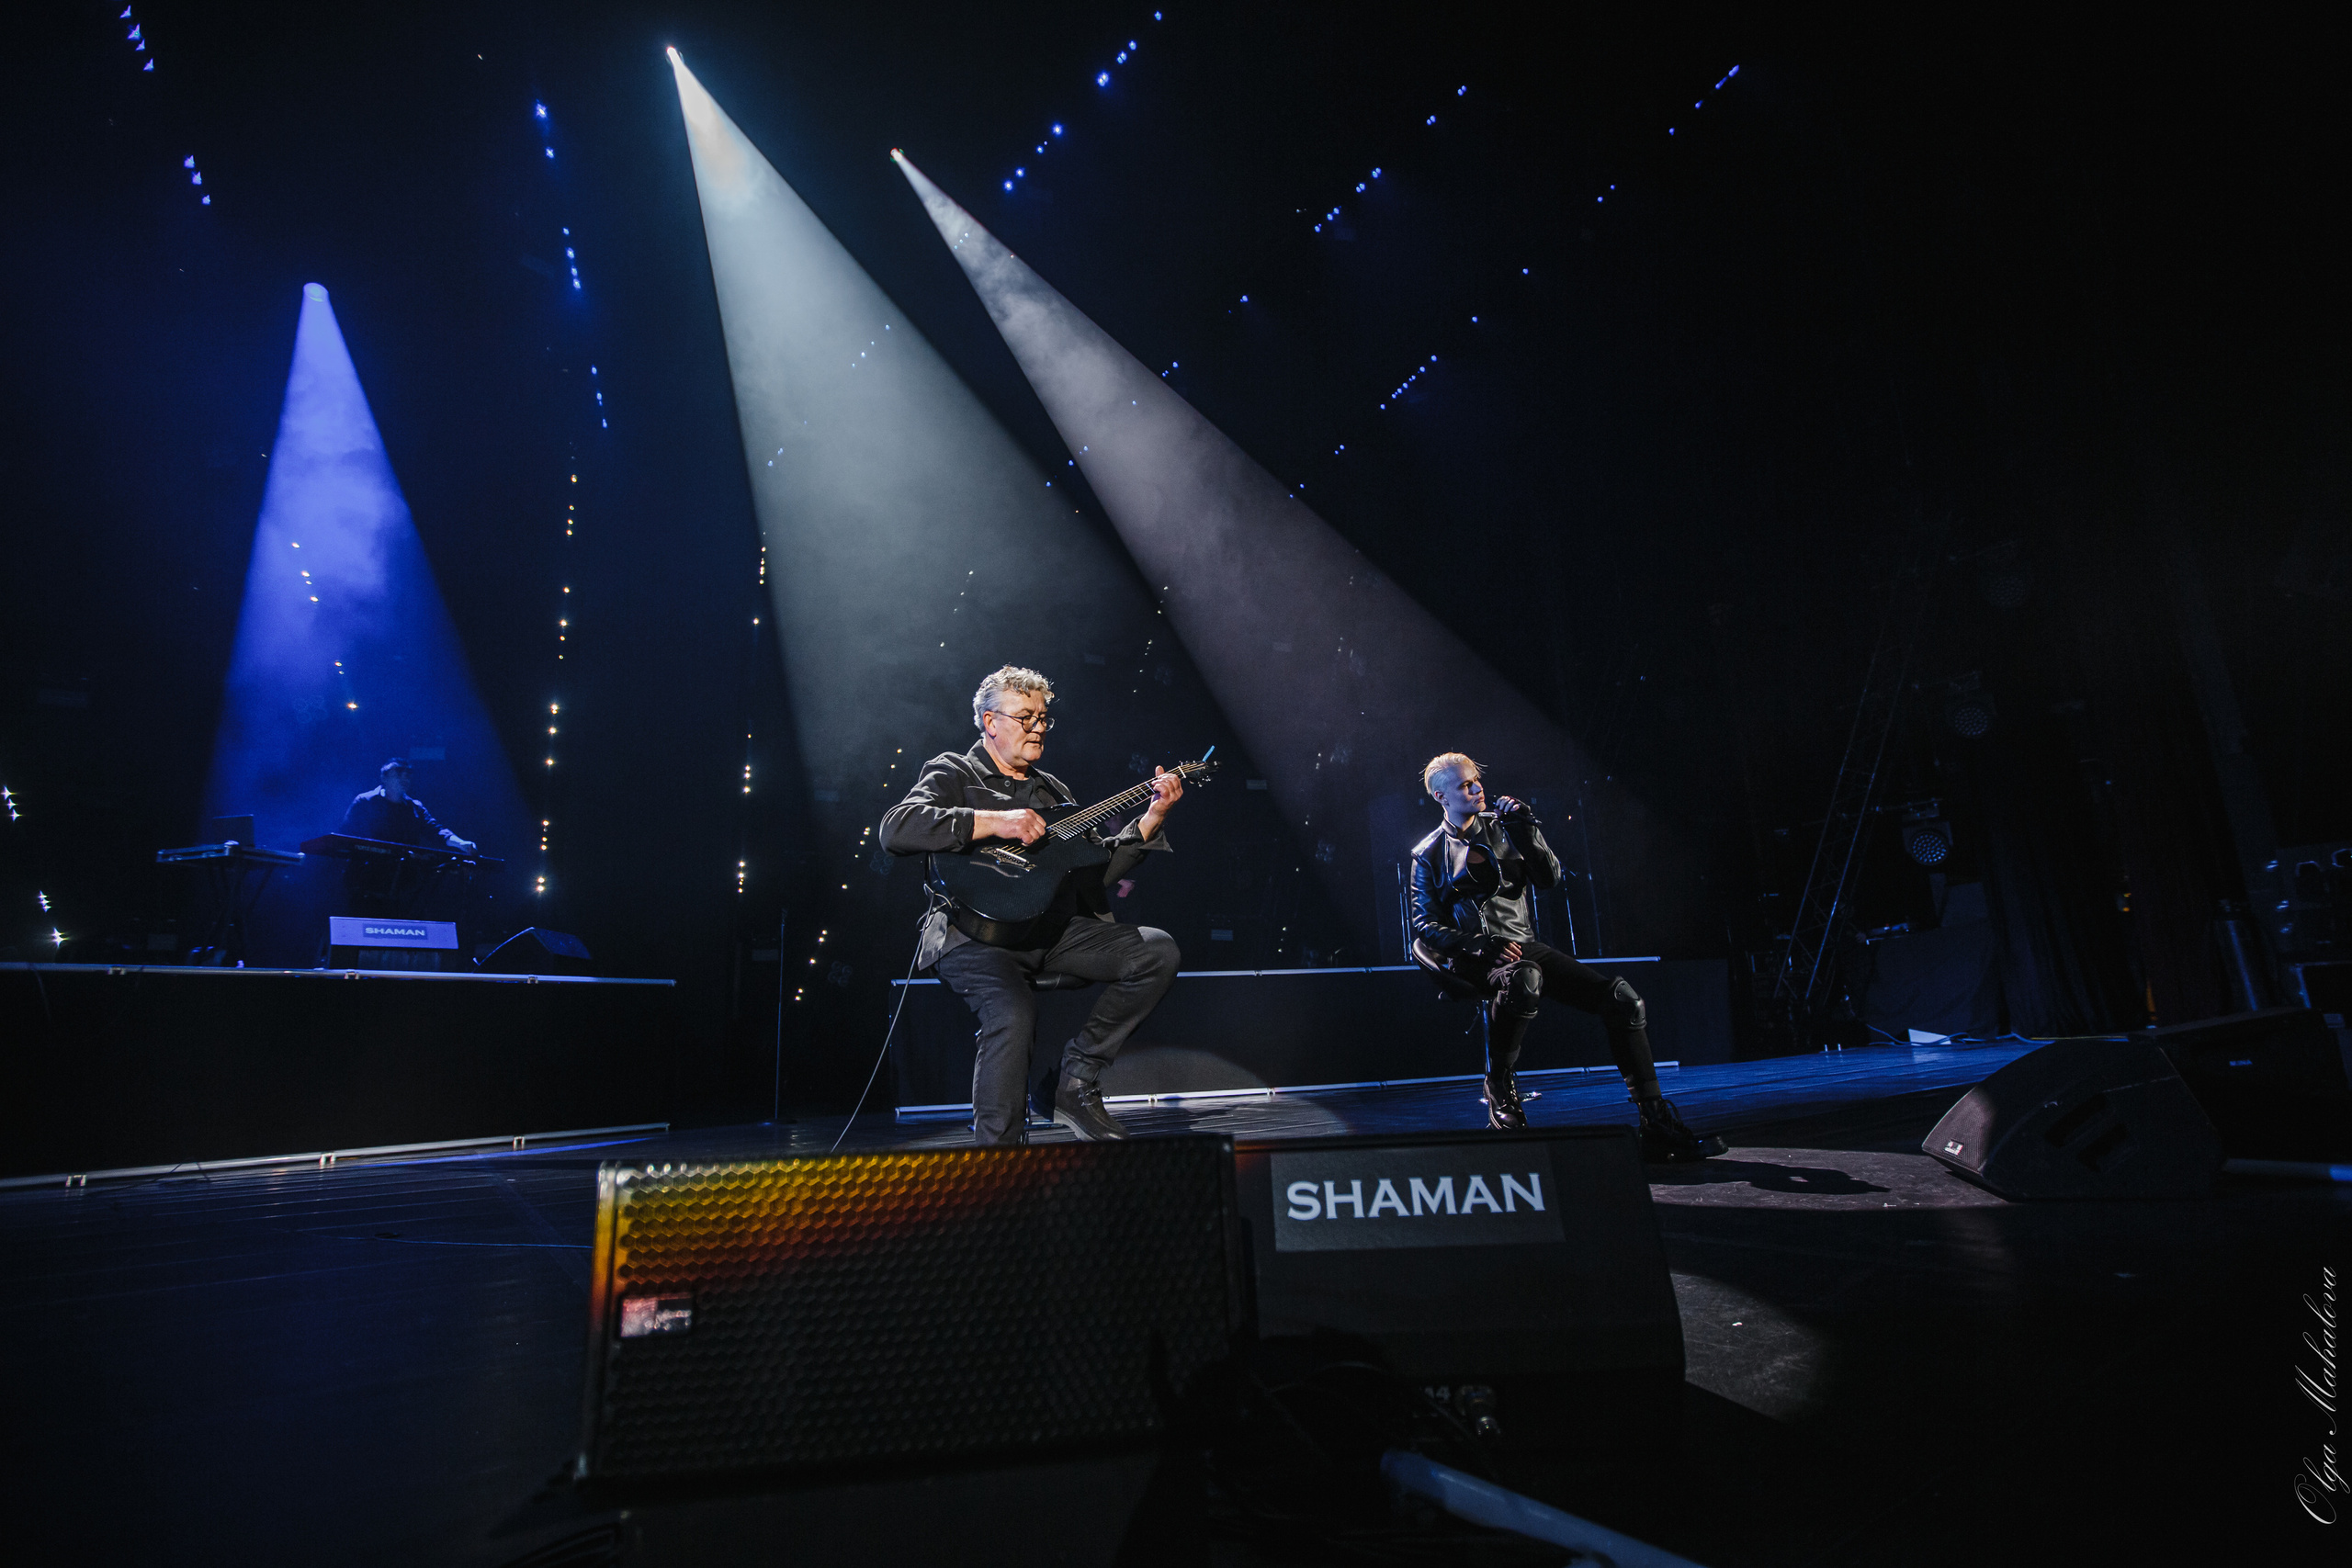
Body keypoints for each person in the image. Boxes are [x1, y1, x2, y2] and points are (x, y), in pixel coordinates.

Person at [881, 666, 1184, 1145]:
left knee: (1155, 951)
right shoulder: (954, 772)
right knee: (1012, 1014)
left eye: (1043, 718)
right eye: (1026, 717)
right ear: (990, 722)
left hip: (1051, 929)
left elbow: (1093, 877)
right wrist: (995, 822)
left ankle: (1074, 1083)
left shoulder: (1054, 793)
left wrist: (1151, 819)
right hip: (974, 938)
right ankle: (1000, 1163)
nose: (1038, 727)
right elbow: (898, 828)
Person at [1408, 751, 1724, 1161]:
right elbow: (1425, 926)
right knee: (1524, 979)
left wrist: (1526, 833)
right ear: (1440, 796)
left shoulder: (1504, 828)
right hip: (1476, 956)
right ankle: (1499, 1085)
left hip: (1522, 944)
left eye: (1476, 780)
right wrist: (1477, 944)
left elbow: (1550, 879)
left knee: (1623, 999)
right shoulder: (1428, 852)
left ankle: (1656, 1122)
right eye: (1464, 785)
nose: (1476, 788)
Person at [338, 759, 478, 915]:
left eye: (408, 775)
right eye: (399, 773)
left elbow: (436, 831)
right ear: (384, 777)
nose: (404, 778)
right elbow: (346, 835)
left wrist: (461, 844)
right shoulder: (366, 801)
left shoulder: (415, 808)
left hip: (401, 884)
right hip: (365, 880)